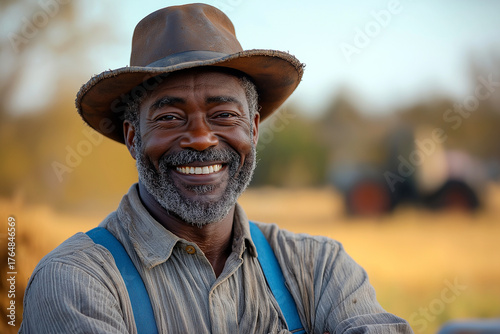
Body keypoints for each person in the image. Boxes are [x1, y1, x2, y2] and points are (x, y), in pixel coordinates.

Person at [20, 3, 413, 333]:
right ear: (132, 137)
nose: (202, 138)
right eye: (170, 117)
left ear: (254, 129)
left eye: (223, 114)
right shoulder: (75, 281)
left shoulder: (319, 269)